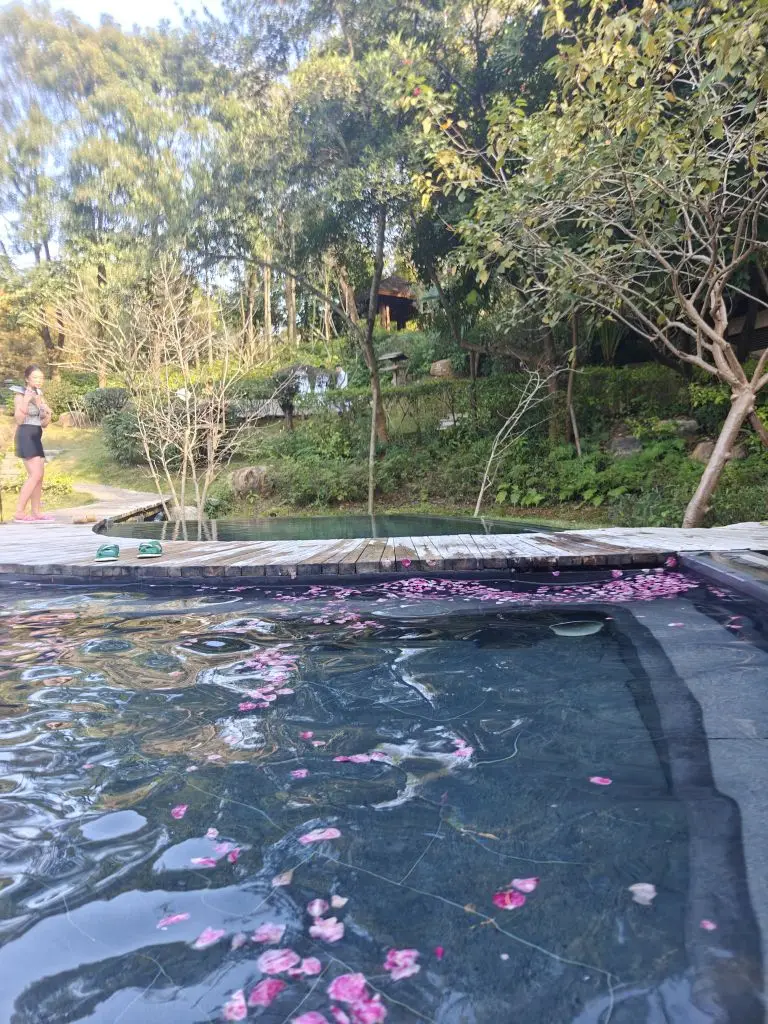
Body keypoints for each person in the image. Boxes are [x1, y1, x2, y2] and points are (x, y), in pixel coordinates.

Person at [13, 365, 53, 522]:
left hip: (36, 436)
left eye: (41, 377)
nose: (39, 380)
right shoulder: (19, 395)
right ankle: (19, 512)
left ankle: (36, 512)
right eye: (35, 377)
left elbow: (44, 423)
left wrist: (45, 411)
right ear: (27, 379)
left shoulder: (40, 395)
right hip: (25, 435)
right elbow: (19, 420)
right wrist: (26, 400)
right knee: (35, 474)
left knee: (40, 476)